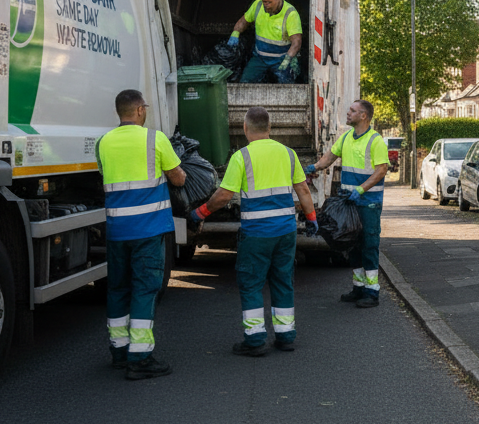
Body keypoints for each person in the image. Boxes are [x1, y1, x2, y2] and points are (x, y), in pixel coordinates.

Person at [188, 107, 318, 355]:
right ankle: (286, 336)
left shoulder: (241, 157)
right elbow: (302, 190)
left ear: (245, 128)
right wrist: (311, 218)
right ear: (270, 128)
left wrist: (200, 212)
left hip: (257, 233)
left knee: (251, 284)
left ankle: (255, 340)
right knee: (282, 281)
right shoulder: (289, 154)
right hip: (286, 231)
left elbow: (225, 195)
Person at [97, 89, 186, 381]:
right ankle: (141, 357)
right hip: (148, 229)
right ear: (138, 111)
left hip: (117, 230)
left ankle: (119, 352)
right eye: (144, 108)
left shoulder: (103, 143)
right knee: (145, 290)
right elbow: (178, 177)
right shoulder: (155, 139)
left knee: (118, 289)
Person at [304, 100, 389, 308]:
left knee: (369, 245)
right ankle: (358, 287)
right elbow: (329, 158)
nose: (348, 113)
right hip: (349, 202)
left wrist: (361, 189)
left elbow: (381, 170)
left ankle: (372, 291)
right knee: (352, 243)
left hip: (368, 203)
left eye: (353, 111)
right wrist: (312, 167)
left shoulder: (375, 141)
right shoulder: (346, 138)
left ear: (364, 116)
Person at [228, 0, 303, 83]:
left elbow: (296, 42)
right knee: (245, 83)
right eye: (264, 1)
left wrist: (287, 60)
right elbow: (243, 21)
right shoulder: (257, 5)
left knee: (287, 87)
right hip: (260, 59)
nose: (266, 5)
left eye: (269, 2)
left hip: (280, 60)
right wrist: (235, 33)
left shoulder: (290, 14)